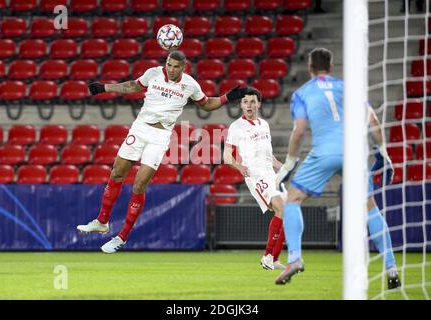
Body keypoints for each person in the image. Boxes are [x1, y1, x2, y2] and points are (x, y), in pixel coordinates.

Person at [77, 50, 249, 253]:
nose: (171, 69)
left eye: (176, 66)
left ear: (183, 67)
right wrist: (104, 87)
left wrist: (227, 97)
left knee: (139, 185)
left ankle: (122, 237)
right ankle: (102, 221)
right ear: (165, 63)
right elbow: (132, 85)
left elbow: (206, 104)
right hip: (140, 129)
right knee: (117, 173)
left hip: (159, 138)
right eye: (169, 64)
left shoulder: (190, 85)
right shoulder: (153, 74)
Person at [274, 48, 401, 290]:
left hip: (324, 152)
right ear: (331, 68)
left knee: (293, 199)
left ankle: (294, 258)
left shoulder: (302, 93)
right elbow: (373, 122)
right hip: (354, 152)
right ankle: (391, 266)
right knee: (369, 207)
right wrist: (384, 153)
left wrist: (290, 162)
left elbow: (300, 131)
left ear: (310, 68)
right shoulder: (349, 88)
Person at [223, 87, 287, 270]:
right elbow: (227, 156)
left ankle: (274, 259)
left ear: (258, 103)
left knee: (287, 211)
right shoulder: (236, 127)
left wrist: (284, 168)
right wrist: (240, 167)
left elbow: (271, 157)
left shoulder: (264, 125)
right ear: (241, 105)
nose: (249, 105)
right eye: (245, 102)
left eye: (252, 101)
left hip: (271, 174)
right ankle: (267, 256)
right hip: (255, 174)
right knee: (280, 207)